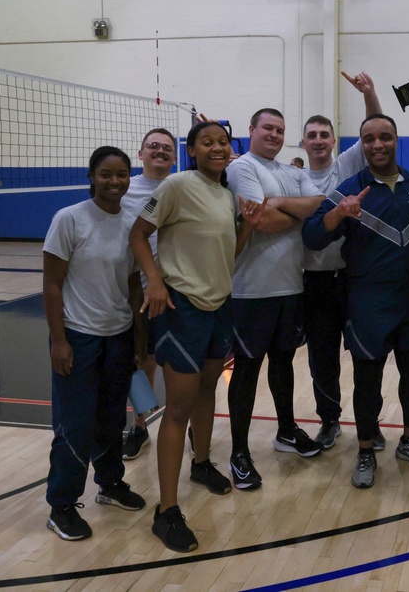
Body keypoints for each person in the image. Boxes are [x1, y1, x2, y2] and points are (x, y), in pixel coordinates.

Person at [130, 121, 257, 552]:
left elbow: (229, 253)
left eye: (223, 142)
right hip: (181, 309)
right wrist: (154, 281)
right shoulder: (176, 186)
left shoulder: (225, 195)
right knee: (179, 406)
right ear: (192, 149)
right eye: (208, 142)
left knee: (207, 390)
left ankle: (201, 463)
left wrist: (249, 226)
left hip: (220, 307)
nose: (218, 148)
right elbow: (138, 235)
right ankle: (166, 512)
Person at [304, 113, 409, 488]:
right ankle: (365, 449)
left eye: (384, 137)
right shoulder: (348, 190)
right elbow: (313, 236)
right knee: (368, 380)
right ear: (362, 144)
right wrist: (338, 213)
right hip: (367, 299)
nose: (377, 144)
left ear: (395, 140)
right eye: (369, 139)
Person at [42, 145, 147, 542]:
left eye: (121, 174)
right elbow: (51, 284)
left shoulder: (132, 223)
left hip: (118, 337)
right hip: (78, 337)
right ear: (92, 176)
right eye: (106, 174)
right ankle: (62, 505)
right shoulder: (69, 219)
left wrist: (139, 338)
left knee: (110, 419)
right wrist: (59, 341)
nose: (115, 181)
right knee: (75, 425)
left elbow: (134, 284)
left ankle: (110, 483)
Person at [225, 108, 326, 490]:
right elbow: (260, 221)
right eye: (267, 127)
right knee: (247, 371)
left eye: (280, 130)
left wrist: (278, 205)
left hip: (291, 287)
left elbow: (316, 207)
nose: (274, 134)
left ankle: (286, 431)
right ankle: (238, 451)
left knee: (283, 365)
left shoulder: (293, 172)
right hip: (251, 291)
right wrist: (293, 211)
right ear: (251, 130)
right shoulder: (242, 168)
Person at [301, 71, 383, 451]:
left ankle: (370, 423)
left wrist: (369, 94)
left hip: (352, 278)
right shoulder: (292, 178)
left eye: (324, 134)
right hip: (312, 282)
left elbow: (375, 131)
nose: (318, 140)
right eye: (312, 135)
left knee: (368, 355)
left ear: (334, 141)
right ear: (303, 142)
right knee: (322, 358)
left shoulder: (347, 165)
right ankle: (329, 421)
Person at [119, 128, 177, 461]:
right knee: (141, 361)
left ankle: (187, 422)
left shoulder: (182, 186)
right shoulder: (125, 190)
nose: (159, 151)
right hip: (136, 291)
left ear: (174, 156)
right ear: (140, 154)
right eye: (152, 146)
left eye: (167, 148)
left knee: (182, 363)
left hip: (178, 290)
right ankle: (140, 426)